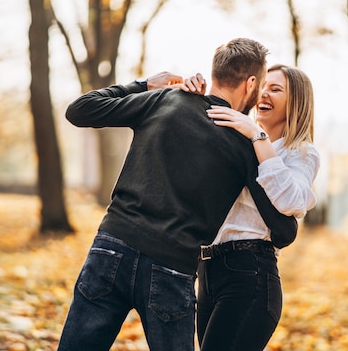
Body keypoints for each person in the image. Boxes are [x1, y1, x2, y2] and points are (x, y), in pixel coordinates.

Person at [57, 39, 298, 351]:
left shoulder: (165, 99)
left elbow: (80, 110)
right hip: (170, 269)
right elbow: (283, 230)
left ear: (215, 73)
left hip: (112, 248)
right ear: (251, 83)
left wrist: (145, 84)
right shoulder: (244, 144)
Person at [183, 64, 320, 351]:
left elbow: (291, 200)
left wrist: (259, 137)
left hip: (250, 274)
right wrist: (194, 95)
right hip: (208, 271)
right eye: (263, 86)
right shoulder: (236, 138)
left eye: (276, 89)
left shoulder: (300, 153)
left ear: (296, 102)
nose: (264, 93)